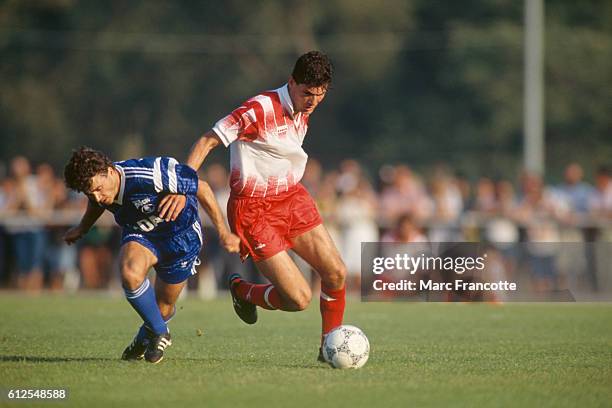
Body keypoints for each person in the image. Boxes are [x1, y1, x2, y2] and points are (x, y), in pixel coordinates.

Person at [160, 51, 347, 362]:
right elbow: (208, 140)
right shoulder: (259, 109)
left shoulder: (305, 105)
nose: (313, 102)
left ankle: (329, 348)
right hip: (254, 210)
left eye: (320, 94)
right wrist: (182, 185)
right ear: (291, 83)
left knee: (337, 273)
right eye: (307, 94)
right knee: (298, 299)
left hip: (292, 197)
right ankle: (243, 291)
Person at [63, 147, 239, 364]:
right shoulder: (101, 189)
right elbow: (95, 203)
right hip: (142, 233)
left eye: (98, 189)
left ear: (108, 171)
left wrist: (223, 232)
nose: (99, 197)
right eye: (91, 193)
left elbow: (202, 188)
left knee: (163, 307)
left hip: (181, 238)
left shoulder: (148, 175)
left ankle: (143, 338)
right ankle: (159, 332)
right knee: (130, 272)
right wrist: (82, 228)